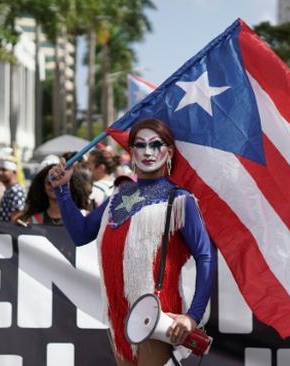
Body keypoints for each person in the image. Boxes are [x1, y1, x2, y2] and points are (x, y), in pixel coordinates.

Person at [49, 118, 216, 366]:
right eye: (140, 145)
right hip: (120, 317)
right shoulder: (118, 195)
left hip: (157, 314)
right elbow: (81, 234)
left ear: (169, 152)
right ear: (131, 151)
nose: (148, 152)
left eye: (156, 144)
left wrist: (192, 316)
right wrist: (62, 191)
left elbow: (206, 256)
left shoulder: (180, 200)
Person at [16, 164, 91, 226]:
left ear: (69, 185)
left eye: (61, 182)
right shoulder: (33, 220)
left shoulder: (84, 216)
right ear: (43, 187)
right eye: (49, 183)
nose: (54, 186)